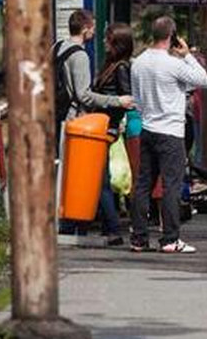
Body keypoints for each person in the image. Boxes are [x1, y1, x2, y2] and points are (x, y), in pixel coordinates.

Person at [129, 16, 207, 254]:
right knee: (171, 185)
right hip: (171, 131)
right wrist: (187, 55)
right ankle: (170, 238)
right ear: (172, 36)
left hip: (148, 129)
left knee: (143, 184)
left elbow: (137, 99)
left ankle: (139, 238)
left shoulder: (139, 63)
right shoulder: (173, 64)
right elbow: (202, 79)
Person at [54, 10, 133, 239]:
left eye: (108, 39)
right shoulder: (81, 56)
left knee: (91, 176)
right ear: (86, 27)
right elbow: (84, 95)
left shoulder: (57, 47)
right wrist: (116, 101)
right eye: (94, 28)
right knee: (96, 177)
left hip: (75, 123)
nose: (99, 37)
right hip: (80, 123)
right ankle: (106, 227)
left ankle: (79, 225)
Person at [91, 22, 137, 246]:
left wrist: (116, 118)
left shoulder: (120, 68)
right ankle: (110, 227)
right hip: (102, 126)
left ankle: (112, 228)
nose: (103, 42)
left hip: (106, 127)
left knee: (101, 181)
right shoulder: (111, 65)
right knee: (101, 178)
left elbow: (126, 99)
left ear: (117, 43)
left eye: (107, 39)